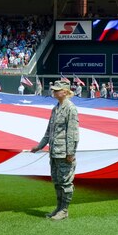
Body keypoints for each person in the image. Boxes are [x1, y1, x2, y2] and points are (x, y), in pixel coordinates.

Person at [30, 78, 79, 221]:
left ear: (65, 92)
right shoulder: (56, 108)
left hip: (64, 153)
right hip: (54, 152)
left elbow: (73, 133)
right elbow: (49, 131)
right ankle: (58, 208)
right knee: (57, 182)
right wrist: (39, 146)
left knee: (65, 182)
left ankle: (64, 210)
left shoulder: (71, 109)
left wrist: (71, 153)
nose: (54, 92)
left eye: (57, 90)